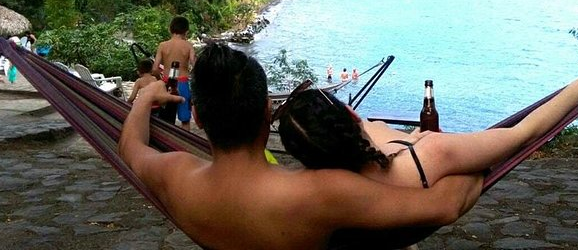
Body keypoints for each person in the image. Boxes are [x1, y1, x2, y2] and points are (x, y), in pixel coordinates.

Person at [119, 43, 483, 250]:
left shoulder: (177, 176)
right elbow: (445, 205)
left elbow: (130, 147)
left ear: (196, 116)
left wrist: (144, 98)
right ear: (267, 110)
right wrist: (478, 157)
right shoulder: (317, 193)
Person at [278, 69, 578, 189]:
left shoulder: (322, 184)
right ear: (351, 116)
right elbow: (523, 134)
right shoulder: (431, 153)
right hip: (427, 160)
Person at [153, 16, 196, 130]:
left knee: (166, 119)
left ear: (170, 29)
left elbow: (154, 69)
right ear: (186, 31)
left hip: (167, 84)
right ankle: (185, 142)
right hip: (182, 83)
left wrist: (161, 79)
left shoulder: (162, 45)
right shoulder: (188, 46)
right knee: (185, 120)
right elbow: (195, 66)